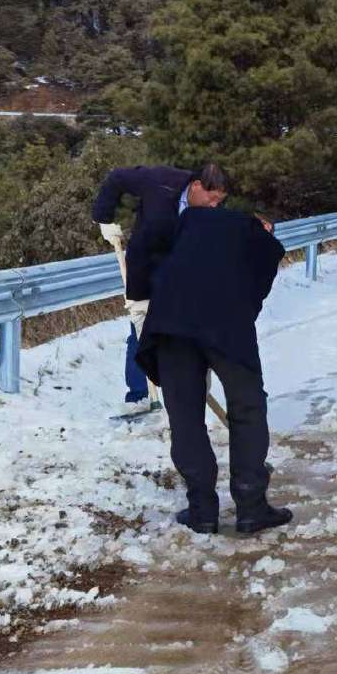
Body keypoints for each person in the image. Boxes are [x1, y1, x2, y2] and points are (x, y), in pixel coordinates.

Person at [135, 205, 290, 534]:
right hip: (225, 325)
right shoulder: (262, 240)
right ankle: (251, 507)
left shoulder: (191, 220)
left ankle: (201, 511)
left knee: (185, 416)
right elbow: (255, 295)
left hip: (169, 323)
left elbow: (150, 250)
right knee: (247, 408)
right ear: (264, 224)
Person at [91, 162, 229, 414]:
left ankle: (188, 398)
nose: (214, 205)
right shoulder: (161, 180)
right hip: (145, 270)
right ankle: (139, 395)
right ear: (197, 186)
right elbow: (117, 176)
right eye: (212, 198)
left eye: (219, 201)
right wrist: (103, 218)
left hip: (180, 278)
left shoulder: (211, 213)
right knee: (141, 331)